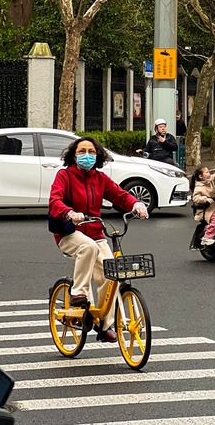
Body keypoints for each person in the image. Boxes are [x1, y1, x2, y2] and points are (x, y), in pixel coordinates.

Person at [48, 136, 148, 341]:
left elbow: (120, 195)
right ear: (74, 156)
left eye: (91, 152)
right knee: (88, 248)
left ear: (98, 156)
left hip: (95, 232)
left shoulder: (100, 178)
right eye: (82, 151)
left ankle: (104, 324)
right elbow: (55, 200)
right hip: (69, 232)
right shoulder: (64, 176)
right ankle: (79, 293)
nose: (87, 155)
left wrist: (136, 204)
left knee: (112, 273)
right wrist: (69, 213)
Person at [190, 166, 215, 246]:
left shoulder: (209, 181)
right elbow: (195, 198)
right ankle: (207, 237)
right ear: (201, 176)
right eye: (206, 172)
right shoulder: (199, 187)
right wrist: (205, 199)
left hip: (214, 207)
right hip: (205, 210)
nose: (209, 173)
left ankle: (214, 231)